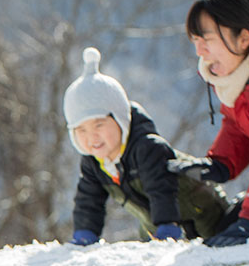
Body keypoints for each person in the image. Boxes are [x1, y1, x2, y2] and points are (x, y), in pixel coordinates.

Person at [64, 47, 238, 245]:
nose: (92, 136)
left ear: (121, 119)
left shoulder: (146, 147)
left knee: (221, 241)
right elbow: (89, 200)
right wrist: (85, 232)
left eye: (99, 124)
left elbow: (160, 189)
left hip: (203, 213)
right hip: (157, 223)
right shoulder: (94, 162)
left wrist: (167, 224)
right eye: (81, 130)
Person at [169, 0, 249, 247]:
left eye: (208, 40)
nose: (199, 51)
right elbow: (242, 123)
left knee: (246, 233)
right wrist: (220, 163)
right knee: (220, 231)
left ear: (244, 38)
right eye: (196, 40)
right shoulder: (243, 75)